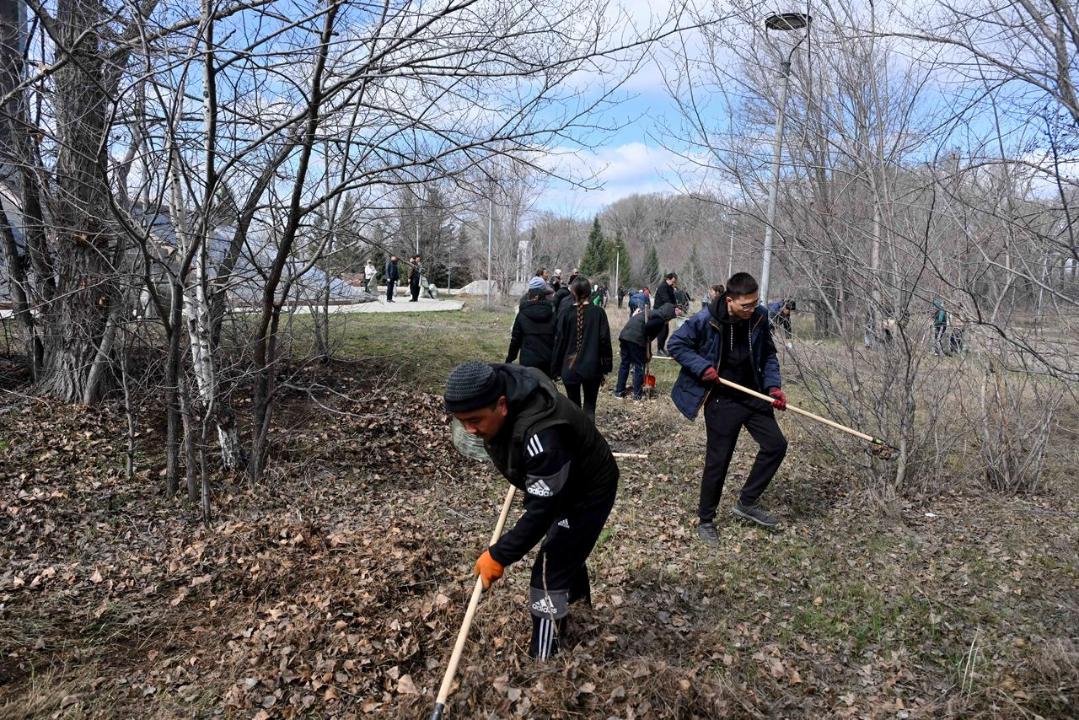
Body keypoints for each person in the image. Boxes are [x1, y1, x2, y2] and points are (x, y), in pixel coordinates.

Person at [444, 361, 619, 660]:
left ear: (501, 405)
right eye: (461, 421)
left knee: (548, 574)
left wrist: (499, 555)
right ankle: (580, 617)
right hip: (561, 477)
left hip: (587, 491)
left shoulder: (542, 436)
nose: (469, 429)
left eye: (475, 420)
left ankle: (544, 659)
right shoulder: (499, 384)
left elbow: (541, 511)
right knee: (565, 553)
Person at [667, 272, 788, 541]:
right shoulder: (705, 319)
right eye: (746, 305)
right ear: (730, 300)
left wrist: (773, 387)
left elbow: (768, 354)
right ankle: (706, 519)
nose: (752, 308)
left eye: (755, 302)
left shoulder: (759, 316)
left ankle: (746, 502)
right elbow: (675, 344)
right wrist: (702, 368)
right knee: (718, 460)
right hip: (721, 399)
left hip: (753, 393)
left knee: (776, 445)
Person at [552, 275, 612, 421]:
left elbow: (559, 342)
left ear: (572, 292)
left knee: (574, 408)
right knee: (590, 408)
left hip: (569, 368)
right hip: (592, 368)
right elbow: (604, 341)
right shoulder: (598, 313)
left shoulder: (565, 314)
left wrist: (555, 368)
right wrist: (606, 366)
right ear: (590, 292)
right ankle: (589, 439)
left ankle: (576, 441)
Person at [615, 302, 677, 400]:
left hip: (625, 335)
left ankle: (619, 392)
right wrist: (646, 352)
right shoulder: (659, 320)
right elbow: (647, 330)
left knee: (624, 364)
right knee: (639, 366)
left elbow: (647, 335)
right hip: (636, 339)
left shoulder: (651, 313)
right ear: (667, 315)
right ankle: (637, 394)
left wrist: (649, 352)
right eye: (670, 318)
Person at [506, 277, 557, 377]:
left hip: (528, 361)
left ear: (530, 297)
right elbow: (558, 338)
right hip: (548, 361)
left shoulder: (522, 314)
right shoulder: (553, 314)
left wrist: (510, 358)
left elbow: (515, 340)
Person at [653, 273, 679, 356]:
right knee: (662, 331)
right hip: (660, 311)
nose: (673, 283)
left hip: (667, 311)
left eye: (674, 282)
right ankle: (659, 350)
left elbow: (673, 298)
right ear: (668, 279)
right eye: (672, 281)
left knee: (666, 331)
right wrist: (674, 307)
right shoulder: (662, 287)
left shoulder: (670, 288)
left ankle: (662, 348)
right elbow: (666, 299)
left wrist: (677, 306)